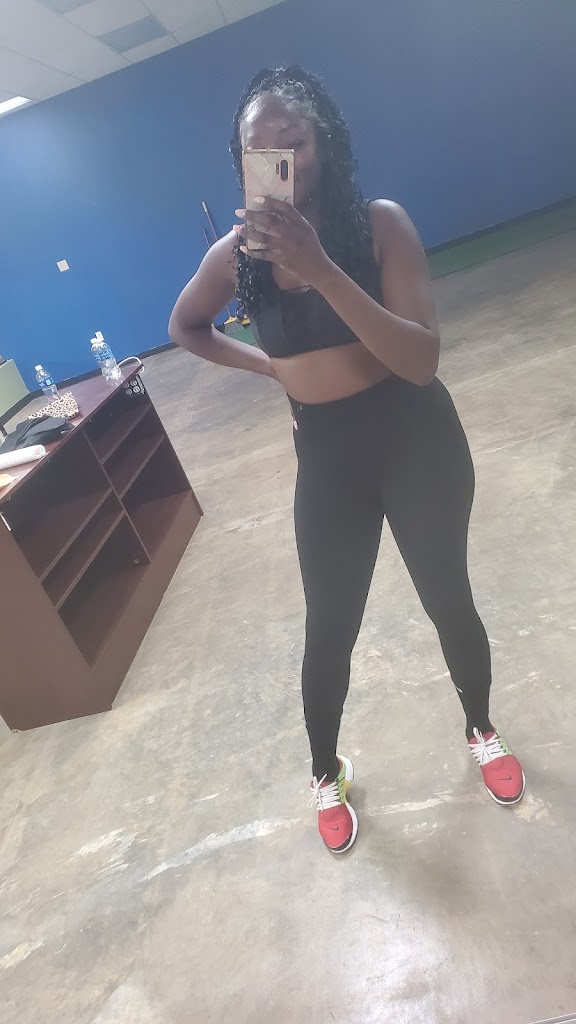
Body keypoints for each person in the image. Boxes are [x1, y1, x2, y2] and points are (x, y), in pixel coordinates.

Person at [169, 66, 525, 854]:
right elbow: (185, 326)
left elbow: (421, 360)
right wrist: (271, 369)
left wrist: (321, 266)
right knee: (328, 629)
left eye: (293, 141)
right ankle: (324, 771)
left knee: (448, 600)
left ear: (324, 143)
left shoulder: (377, 226)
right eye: (259, 148)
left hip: (416, 440)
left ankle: (481, 728)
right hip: (327, 460)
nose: (279, 160)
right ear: (242, 161)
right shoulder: (238, 255)